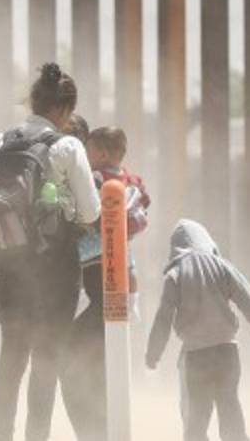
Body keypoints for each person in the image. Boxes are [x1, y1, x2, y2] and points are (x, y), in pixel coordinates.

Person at [0, 63, 100, 441]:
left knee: (10, 358)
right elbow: (91, 211)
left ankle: (0, 436)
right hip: (55, 270)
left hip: (10, 265)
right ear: (64, 109)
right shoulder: (67, 146)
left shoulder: (0, 141)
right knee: (45, 360)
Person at [146, 219, 250, 441]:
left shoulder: (175, 273)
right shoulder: (223, 266)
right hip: (227, 352)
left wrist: (153, 353)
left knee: (195, 424)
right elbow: (248, 299)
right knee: (231, 413)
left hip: (196, 357)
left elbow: (163, 317)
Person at [61, 125, 151, 441]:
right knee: (101, 369)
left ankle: (94, 433)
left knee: (74, 363)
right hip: (118, 285)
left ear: (99, 153)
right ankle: (103, 431)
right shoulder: (129, 182)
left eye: (87, 151)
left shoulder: (99, 182)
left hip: (101, 286)